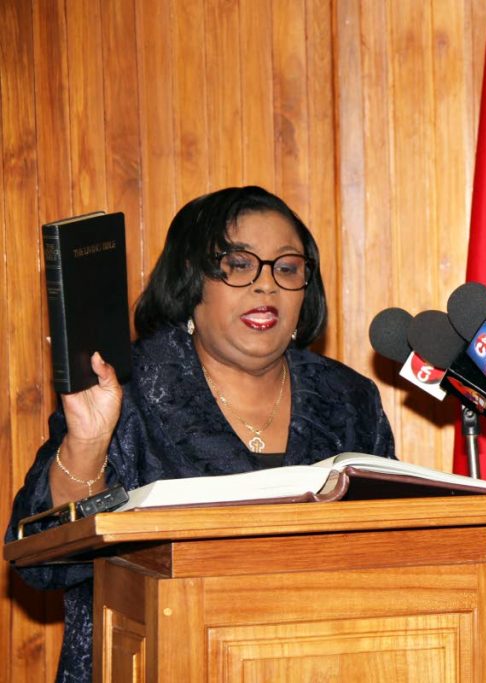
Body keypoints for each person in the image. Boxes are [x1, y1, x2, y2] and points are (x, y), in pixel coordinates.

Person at [6, 186, 396, 682]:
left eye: (288, 268)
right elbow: (42, 565)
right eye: (237, 264)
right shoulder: (126, 390)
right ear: (191, 282)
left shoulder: (348, 399)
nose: (266, 286)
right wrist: (88, 442)